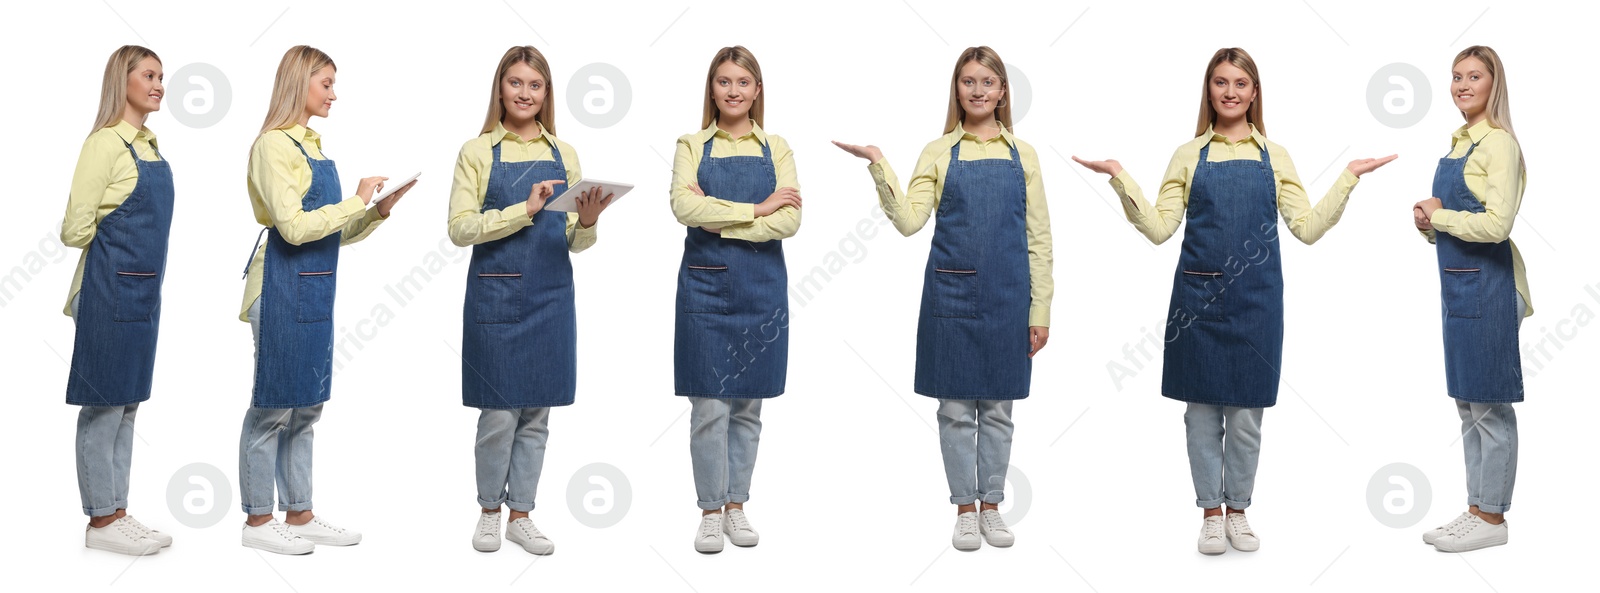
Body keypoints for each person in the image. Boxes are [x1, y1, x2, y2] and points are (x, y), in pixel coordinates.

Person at [1074, 47, 1394, 555]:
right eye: (1220, 82)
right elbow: (1159, 229)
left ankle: (1239, 511)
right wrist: (1119, 177)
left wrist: (1349, 176)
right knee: (1200, 416)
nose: (1230, 92)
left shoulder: (1276, 155)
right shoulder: (1188, 154)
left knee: (1246, 418)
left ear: (1254, 92)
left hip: (1256, 300)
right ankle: (1209, 513)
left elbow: (1306, 229)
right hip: (1197, 301)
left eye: (1240, 83)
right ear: (1209, 90)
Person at [835, 46, 1052, 552]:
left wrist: (1040, 310)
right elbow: (910, 222)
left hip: (1007, 298)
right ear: (957, 90)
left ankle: (993, 506)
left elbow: (1039, 239)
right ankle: (963, 509)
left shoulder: (1025, 155)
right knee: (955, 409)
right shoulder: (937, 151)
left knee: (998, 407)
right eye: (968, 81)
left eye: (987, 81)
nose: (977, 90)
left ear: (1002, 92)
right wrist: (878, 164)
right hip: (950, 295)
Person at [670, 46, 801, 554]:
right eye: (723, 82)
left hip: (761, 287)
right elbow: (683, 206)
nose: (733, 90)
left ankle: (737, 505)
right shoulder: (690, 144)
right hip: (703, 289)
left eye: (742, 82)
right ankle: (709, 510)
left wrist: (717, 217)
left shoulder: (779, 147)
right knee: (708, 405)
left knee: (748, 405)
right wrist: (758, 208)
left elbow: (790, 221)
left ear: (757, 90)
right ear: (712, 89)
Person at [1413, 45, 1529, 554]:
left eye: (1474, 76)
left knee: (1490, 407)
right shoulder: (1458, 143)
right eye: (1456, 76)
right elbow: (1456, 223)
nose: (1462, 85)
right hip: (1459, 287)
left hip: (1489, 286)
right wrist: (1427, 224)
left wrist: (1438, 217)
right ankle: (1477, 507)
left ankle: (1494, 518)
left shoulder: (1497, 143)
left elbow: (1498, 225)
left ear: (1493, 84)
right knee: (1469, 404)